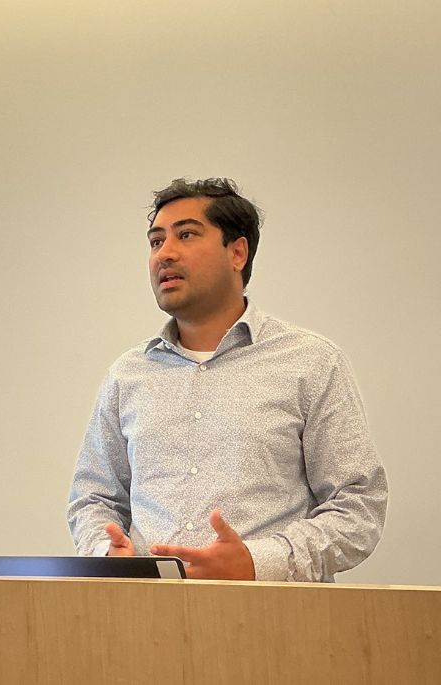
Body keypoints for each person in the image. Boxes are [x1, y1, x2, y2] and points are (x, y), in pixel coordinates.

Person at [66, 178, 387, 582]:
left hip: (272, 622)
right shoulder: (127, 374)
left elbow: (358, 506)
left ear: (237, 252)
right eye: (155, 241)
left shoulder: (311, 362)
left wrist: (258, 561)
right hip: (145, 619)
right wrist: (105, 551)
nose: (164, 254)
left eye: (185, 235)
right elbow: (93, 499)